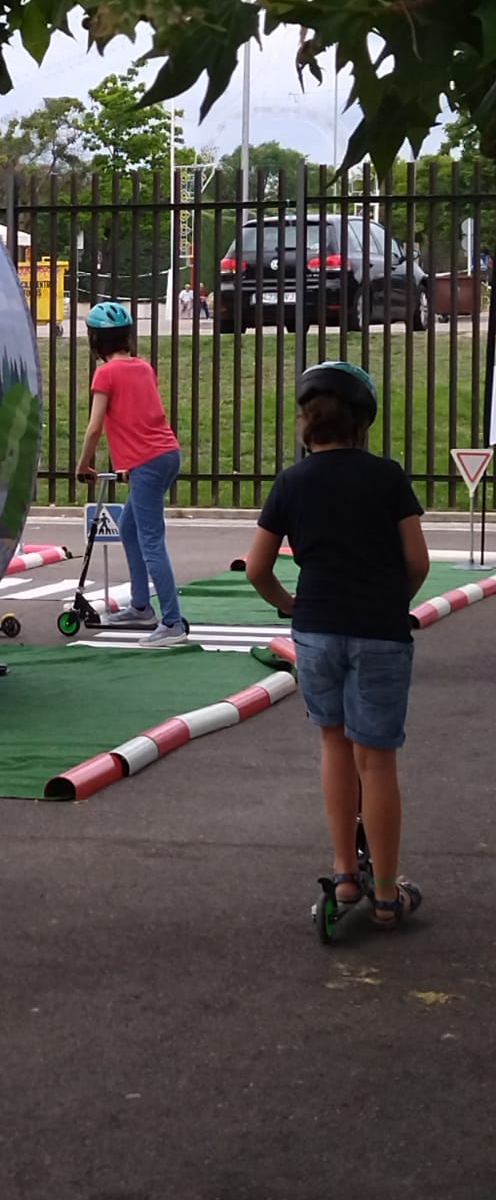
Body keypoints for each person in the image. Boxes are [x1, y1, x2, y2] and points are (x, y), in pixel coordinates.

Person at [245, 361, 429, 928]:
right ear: (362, 423)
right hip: (378, 630)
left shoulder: (291, 483)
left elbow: (257, 567)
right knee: (376, 761)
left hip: (317, 631)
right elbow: (417, 561)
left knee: (333, 746)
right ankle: (387, 893)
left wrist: (290, 605)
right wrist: (394, 599)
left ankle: (345, 875)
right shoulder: (388, 477)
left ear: (306, 423)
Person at [75, 301, 186, 646]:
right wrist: (132, 467)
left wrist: (83, 466)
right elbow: (141, 417)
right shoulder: (143, 367)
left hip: (149, 462)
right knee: (130, 529)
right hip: (166, 455)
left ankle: (172, 623)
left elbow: (94, 428)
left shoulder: (105, 374)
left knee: (151, 540)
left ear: (95, 340)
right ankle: (141, 606)